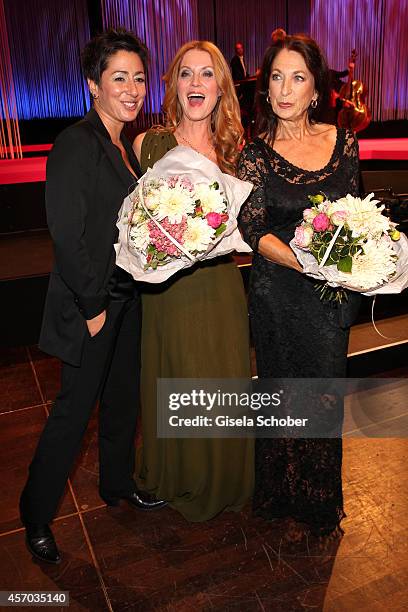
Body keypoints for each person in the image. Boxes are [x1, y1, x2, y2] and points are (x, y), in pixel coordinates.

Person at [20, 28, 165, 565]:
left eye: (139, 78)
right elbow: (67, 233)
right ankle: (35, 516)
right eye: (118, 77)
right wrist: (94, 308)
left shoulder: (125, 146)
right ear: (93, 85)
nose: (131, 88)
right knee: (73, 413)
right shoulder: (75, 143)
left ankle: (117, 484)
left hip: (128, 298)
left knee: (122, 401)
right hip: (95, 304)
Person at [237, 31, 361, 536]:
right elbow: (252, 226)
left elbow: (355, 217)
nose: (285, 89)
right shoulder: (255, 154)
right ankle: (280, 490)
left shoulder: (343, 142)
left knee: (323, 394)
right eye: (276, 78)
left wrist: (352, 264)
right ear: (266, 88)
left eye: (298, 78)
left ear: (316, 90)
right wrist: (302, 263)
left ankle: (319, 496)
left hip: (329, 298)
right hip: (277, 293)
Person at [133, 40, 254, 522]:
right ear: (175, 85)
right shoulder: (148, 146)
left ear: (221, 89)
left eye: (208, 74)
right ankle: (172, 475)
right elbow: (137, 224)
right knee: (174, 375)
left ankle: (224, 475)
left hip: (219, 286)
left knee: (218, 378)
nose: (197, 83)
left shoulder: (236, 153)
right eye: (187, 74)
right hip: (167, 290)